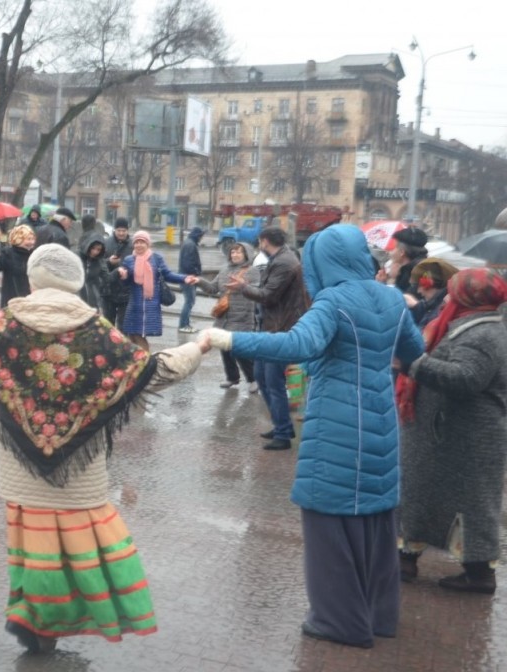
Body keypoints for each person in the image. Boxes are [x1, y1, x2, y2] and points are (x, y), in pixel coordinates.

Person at [0, 243, 208, 653]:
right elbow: (152, 371)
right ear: (75, 283)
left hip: (20, 472)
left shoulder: (5, 326)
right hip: (81, 476)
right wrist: (199, 347)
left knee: (35, 552)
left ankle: (35, 623)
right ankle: (52, 623)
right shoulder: (99, 332)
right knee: (81, 550)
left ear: (33, 278)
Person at [203, 224, 425, 649]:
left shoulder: (334, 300)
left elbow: (298, 344)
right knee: (375, 520)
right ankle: (378, 616)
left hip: (337, 420)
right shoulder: (393, 298)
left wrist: (227, 338)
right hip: (380, 418)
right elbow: (414, 354)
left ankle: (339, 621)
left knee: (330, 522)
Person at [396, 268, 507, 594]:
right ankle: (408, 558)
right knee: (427, 495)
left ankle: (477, 574)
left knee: (469, 505)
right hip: (448, 435)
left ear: (469, 298)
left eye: (453, 291)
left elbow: (466, 379)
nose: (447, 295)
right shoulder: (476, 326)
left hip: (462, 437)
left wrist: (414, 364)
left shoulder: (481, 334)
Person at [225, 226, 307, 450]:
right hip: (270, 326)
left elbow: (268, 296)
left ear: (264, 241)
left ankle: (282, 434)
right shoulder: (281, 258)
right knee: (262, 376)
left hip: (279, 329)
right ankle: (281, 425)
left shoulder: (284, 262)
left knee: (273, 381)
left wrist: (244, 287)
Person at [192, 242, 259, 391]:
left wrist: (243, 285)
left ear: (246, 254)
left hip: (242, 317)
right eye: (232, 252)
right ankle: (232, 378)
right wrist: (199, 281)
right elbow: (212, 289)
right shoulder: (224, 271)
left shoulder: (252, 271)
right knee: (224, 348)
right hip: (224, 317)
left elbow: (256, 291)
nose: (235, 255)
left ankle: (253, 378)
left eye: (239, 252)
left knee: (239, 349)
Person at [118, 230, 191, 351]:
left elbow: (167, 275)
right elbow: (126, 283)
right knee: (132, 335)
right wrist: (124, 277)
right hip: (134, 304)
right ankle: (140, 363)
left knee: (139, 335)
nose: (139, 245)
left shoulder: (156, 258)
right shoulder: (129, 260)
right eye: (137, 242)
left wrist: (184, 278)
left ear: (148, 244)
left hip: (150, 304)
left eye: (142, 242)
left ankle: (146, 362)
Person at [403, 257, 458, 327]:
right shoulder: (436, 306)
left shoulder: (442, 311)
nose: (418, 291)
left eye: (420, 285)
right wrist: (417, 307)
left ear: (432, 283)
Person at [102, 218, 133, 328]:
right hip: (109, 290)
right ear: (114, 230)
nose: (121, 233)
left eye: (123, 230)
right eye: (119, 230)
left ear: (127, 231)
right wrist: (109, 261)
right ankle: (108, 345)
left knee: (123, 325)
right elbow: (99, 264)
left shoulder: (133, 245)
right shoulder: (106, 243)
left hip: (126, 291)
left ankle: (121, 345)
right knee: (108, 325)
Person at [382, 226, 428, 295]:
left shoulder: (411, 273)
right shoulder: (424, 267)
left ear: (401, 252)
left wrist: (393, 279)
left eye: (394, 248)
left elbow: (400, 301)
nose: (389, 252)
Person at [177, 226, 204, 333]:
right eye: (201, 236)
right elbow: (188, 263)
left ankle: (186, 324)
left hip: (186, 276)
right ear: (198, 235)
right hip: (189, 277)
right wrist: (196, 273)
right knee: (189, 302)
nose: (202, 238)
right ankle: (183, 325)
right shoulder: (191, 245)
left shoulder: (188, 243)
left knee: (189, 301)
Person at [77, 231, 110, 312]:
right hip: (77, 296)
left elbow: (107, 277)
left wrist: (117, 272)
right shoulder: (76, 256)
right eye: (93, 248)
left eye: (98, 250)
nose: (95, 252)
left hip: (92, 299)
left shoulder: (99, 261)